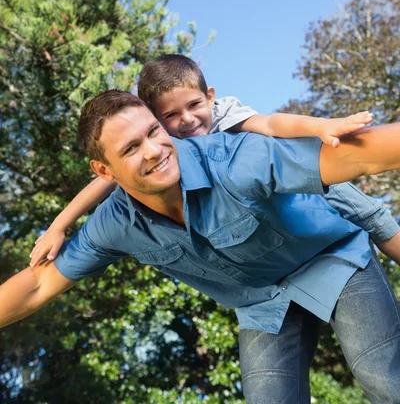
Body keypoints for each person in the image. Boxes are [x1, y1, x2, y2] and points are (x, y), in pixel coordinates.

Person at [1, 90, 400, 404]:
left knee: (382, 378)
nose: (154, 151)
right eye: (130, 149)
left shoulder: (233, 161)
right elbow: (38, 286)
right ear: (104, 171)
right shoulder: (115, 224)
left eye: (153, 132)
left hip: (331, 261)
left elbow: (356, 158)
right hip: (262, 303)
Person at [30, 55, 394, 268]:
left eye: (194, 105)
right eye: (170, 116)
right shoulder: (162, 148)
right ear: (157, 120)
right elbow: (107, 180)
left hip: (291, 176)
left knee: (371, 215)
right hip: (261, 213)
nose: (187, 120)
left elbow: (272, 123)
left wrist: (322, 127)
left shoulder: (224, 115)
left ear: (210, 97)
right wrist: (60, 225)